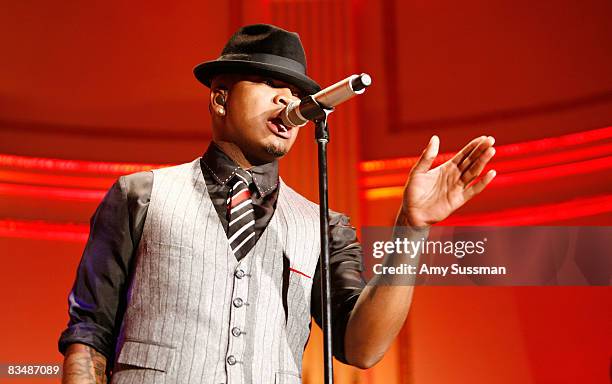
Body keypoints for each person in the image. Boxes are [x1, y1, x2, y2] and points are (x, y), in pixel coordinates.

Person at [59, 24, 496, 384]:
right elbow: (89, 335)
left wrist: (411, 227)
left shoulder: (321, 224)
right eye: (270, 84)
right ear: (219, 97)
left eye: (295, 92)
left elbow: (361, 348)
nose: (288, 101)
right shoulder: (141, 195)